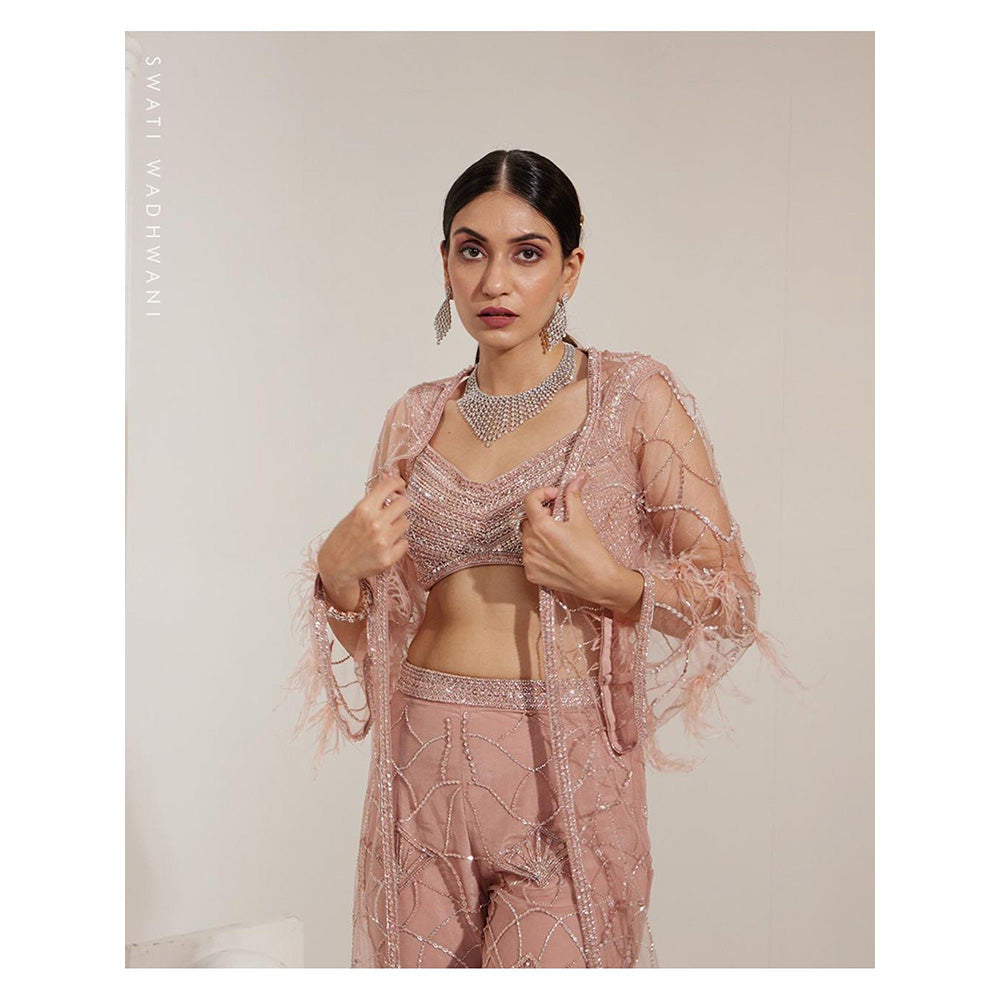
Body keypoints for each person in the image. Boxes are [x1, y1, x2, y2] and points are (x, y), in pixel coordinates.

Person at [285, 149, 802, 968]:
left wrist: (614, 584)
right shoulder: (415, 420)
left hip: (563, 786)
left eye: (527, 253)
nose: (495, 282)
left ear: (570, 270)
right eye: (471, 250)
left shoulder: (631, 398)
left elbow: (731, 599)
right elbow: (381, 636)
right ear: (446, 265)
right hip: (420, 773)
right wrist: (339, 574)